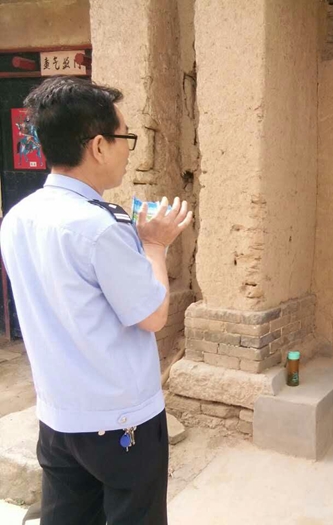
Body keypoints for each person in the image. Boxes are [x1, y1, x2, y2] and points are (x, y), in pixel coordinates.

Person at [0, 77, 192, 525]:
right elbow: (153, 315)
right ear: (99, 146)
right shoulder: (99, 228)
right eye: (125, 137)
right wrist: (155, 245)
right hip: (121, 420)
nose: (129, 150)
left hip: (59, 416)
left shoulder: (18, 217)